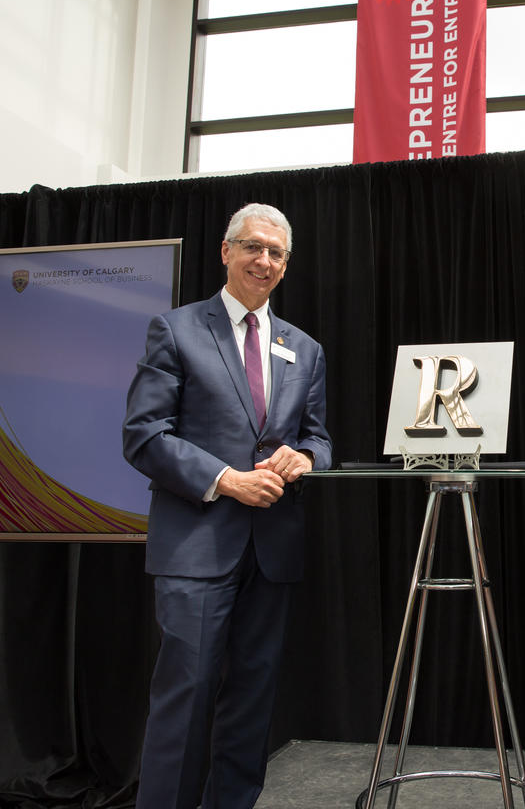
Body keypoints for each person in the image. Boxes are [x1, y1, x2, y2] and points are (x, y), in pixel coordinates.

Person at [122, 203, 332, 809]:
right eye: (252, 247)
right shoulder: (177, 329)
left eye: (276, 254)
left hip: (272, 554)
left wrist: (307, 459)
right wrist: (225, 479)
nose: (263, 261)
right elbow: (145, 435)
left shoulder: (305, 348)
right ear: (225, 251)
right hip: (197, 546)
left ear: (286, 266)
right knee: (184, 701)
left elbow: (319, 435)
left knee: (251, 702)